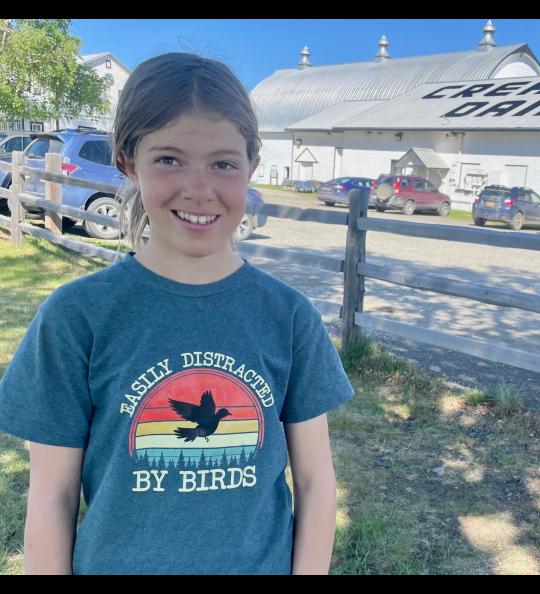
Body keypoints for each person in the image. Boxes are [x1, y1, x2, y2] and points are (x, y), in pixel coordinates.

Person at [0, 52, 354, 575]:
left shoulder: (290, 318)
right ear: (126, 160)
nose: (198, 188)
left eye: (223, 163)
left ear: (251, 167)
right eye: (169, 159)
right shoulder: (76, 318)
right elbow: (52, 497)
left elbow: (316, 482)